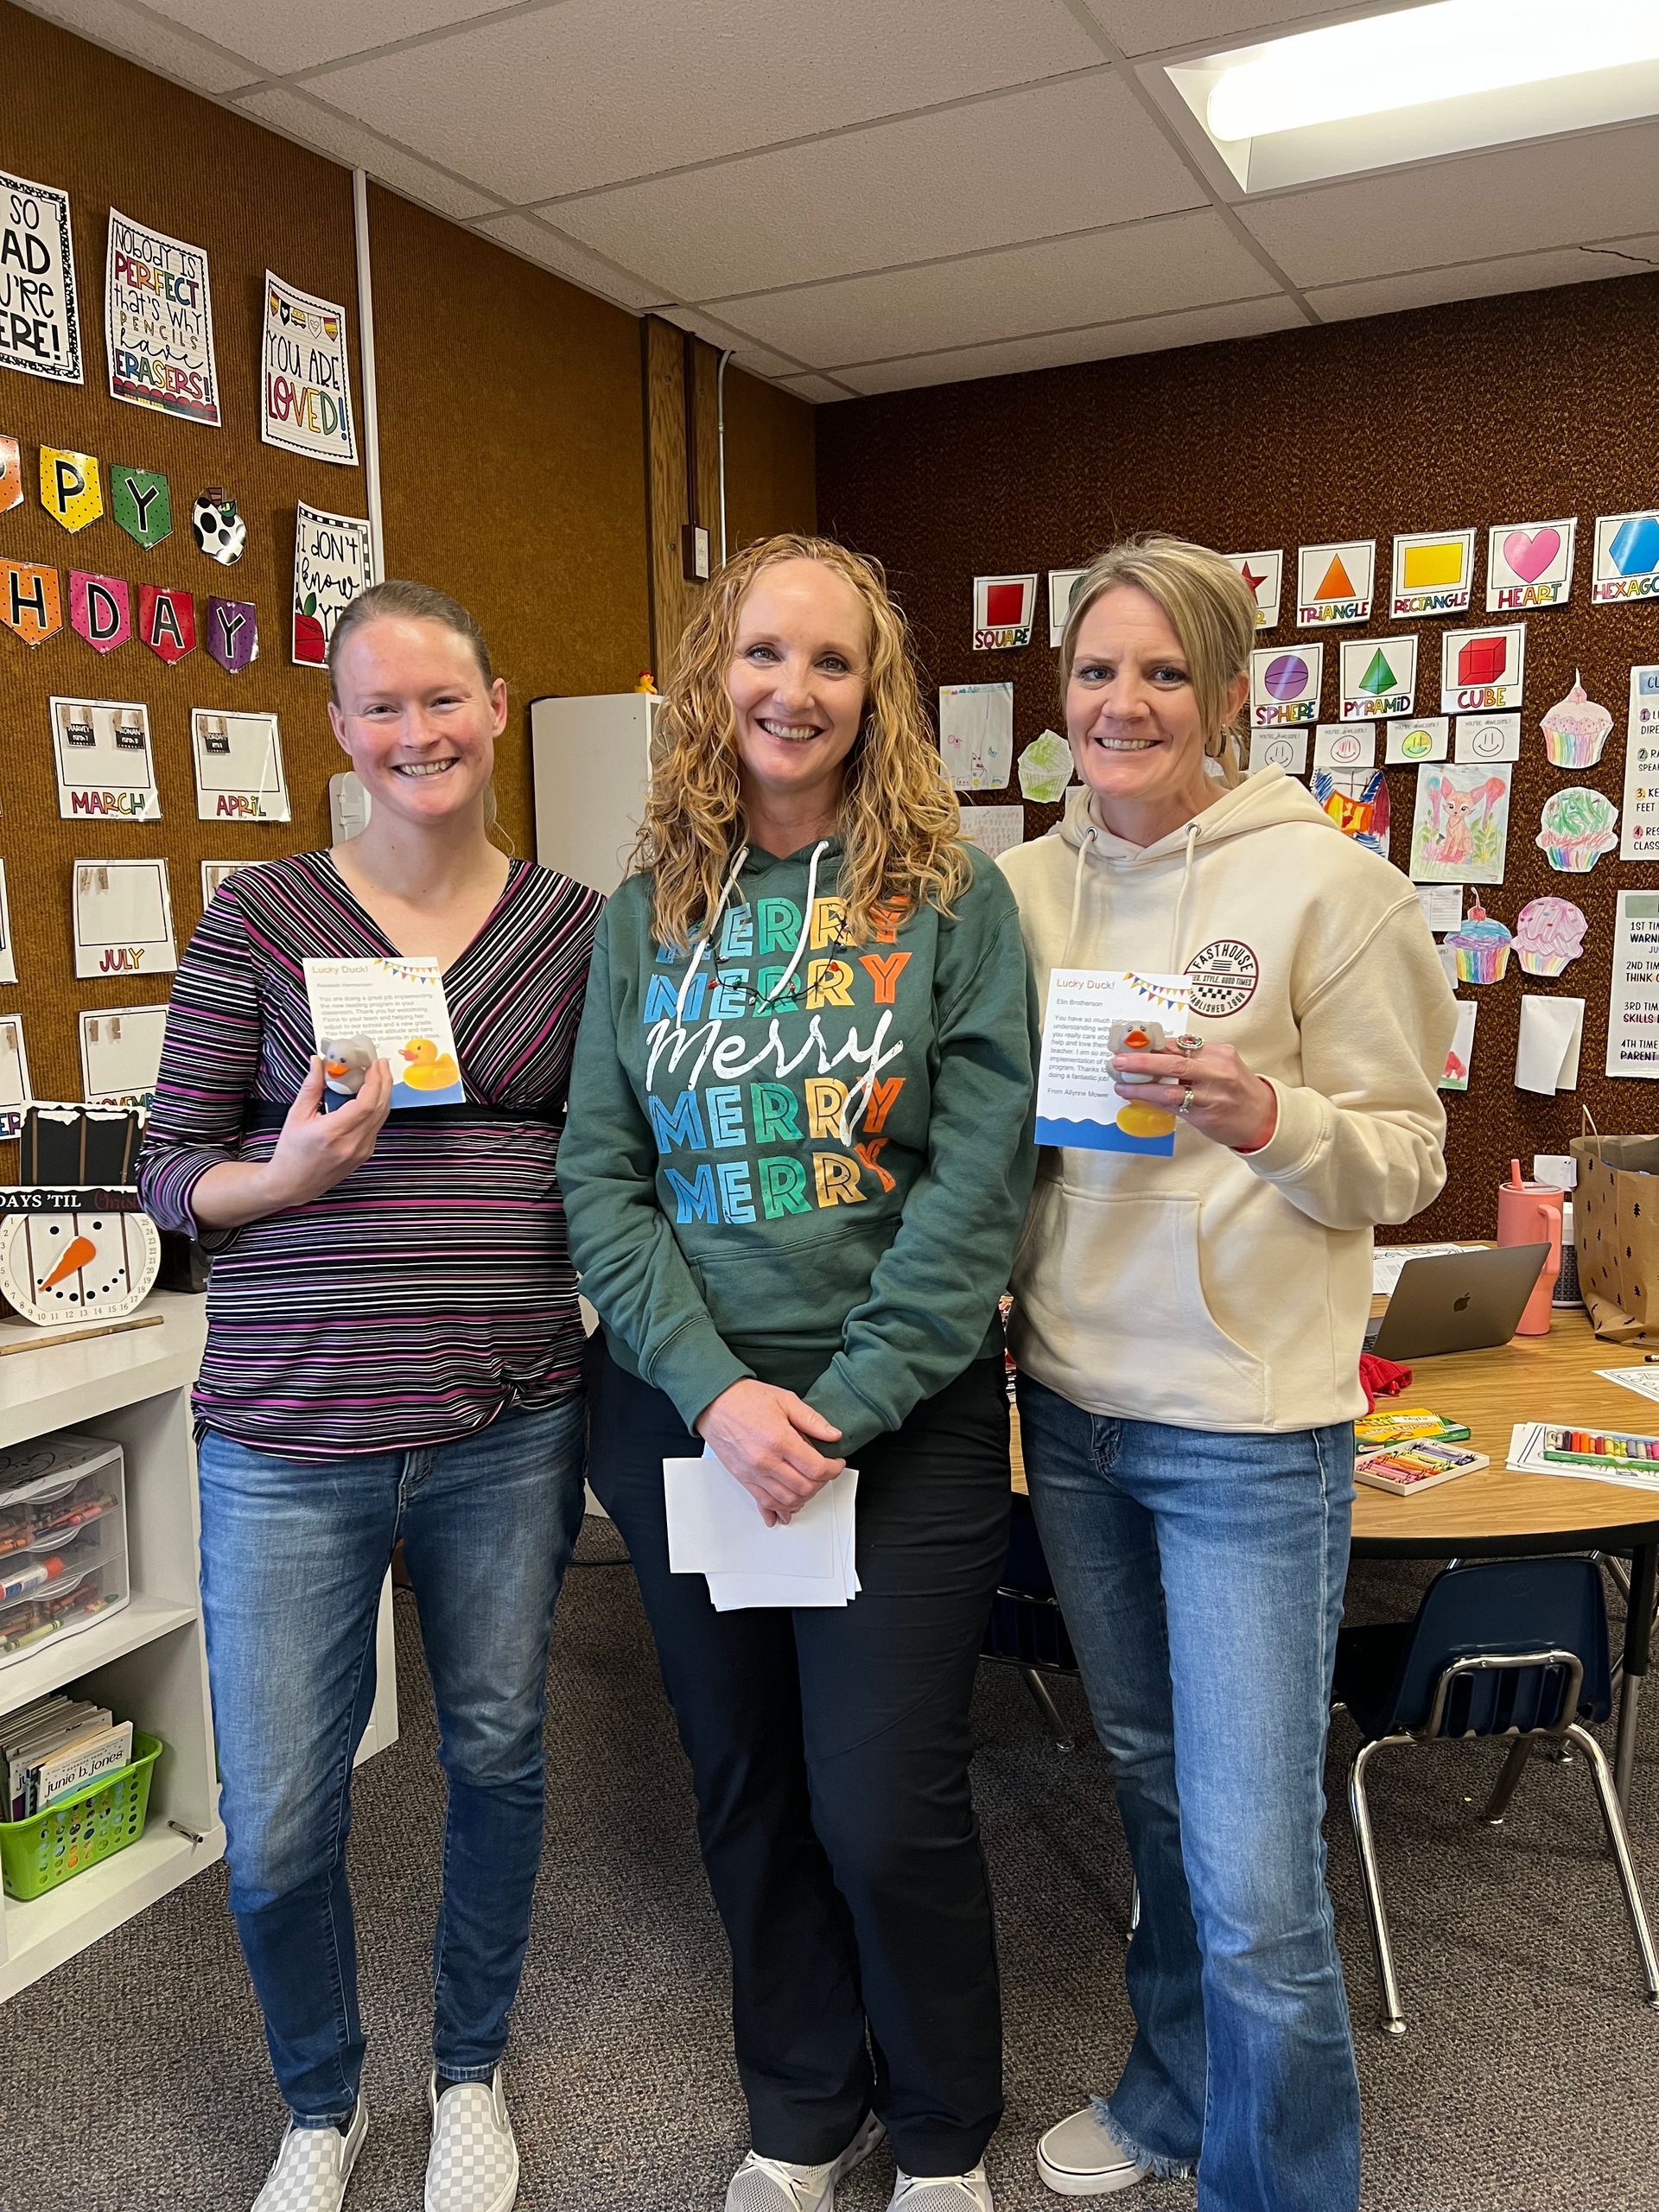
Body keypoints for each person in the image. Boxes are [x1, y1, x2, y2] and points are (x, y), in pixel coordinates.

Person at [558, 533, 1037, 2212]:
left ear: (876, 691)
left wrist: (835, 1408)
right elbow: (601, 1184)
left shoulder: (955, 904)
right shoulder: (648, 913)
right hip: (690, 1425)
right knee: (746, 1782)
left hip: (894, 1437)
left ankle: (939, 2129)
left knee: (881, 1798)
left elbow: (978, 1196)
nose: (796, 690)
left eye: (834, 662)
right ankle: (800, 2101)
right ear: (716, 677)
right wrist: (717, 1392)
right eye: (767, 653)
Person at [998, 537, 1455, 2212]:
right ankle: (1174, 2087)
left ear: (1230, 691)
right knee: (1151, 1795)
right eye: (1100, 671)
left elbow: (1407, 1154)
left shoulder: (1332, 886)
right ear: (1064, 699)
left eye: (1165, 672)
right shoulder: (1019, 892)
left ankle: (1284, 2183)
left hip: (1251, 1432)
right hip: (1074, 1407)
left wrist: (1269, 1114)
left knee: (1258, 1871)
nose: (1127, 703)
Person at [137, 581, 602, 2212]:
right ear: (340, 731)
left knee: (496, 1753)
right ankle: (317, 2107)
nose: (419, 733)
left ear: (494, 706)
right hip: (287, 1439)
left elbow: (610, 1155)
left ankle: (467, 2073)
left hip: (510, 1425)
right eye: (383, 708)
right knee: (272, 1815)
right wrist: (288, 1172)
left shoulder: (573, 928)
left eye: (446, 701)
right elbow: (164, 1173)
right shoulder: (256, 918)